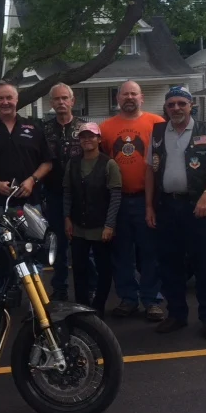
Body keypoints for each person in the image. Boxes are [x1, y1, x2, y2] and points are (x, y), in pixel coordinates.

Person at [145, 87, 206, 339]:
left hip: (199, 207)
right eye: (171, 104)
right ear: (166, 108)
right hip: (167, 207)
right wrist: (149, 206)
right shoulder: (158, 132)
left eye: (181, 103)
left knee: (205, 264)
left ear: (191, 105)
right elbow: (149, 171)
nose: (176, 108)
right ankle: (176, 315)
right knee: (169, 264)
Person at [100, 80, 165, 321]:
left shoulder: (157, 123)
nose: (129, 97)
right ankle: (128, 298)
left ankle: (152, 300)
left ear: (141, 97)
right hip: (117, 201)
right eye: (125, 94)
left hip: (146, 199)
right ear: (117, 99)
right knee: (121, 253)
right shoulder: (106, 128)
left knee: (150, 252)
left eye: (133, 94)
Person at [63, 123, 122, 317]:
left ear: (99, 139)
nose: (87, 140)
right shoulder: (72, 163)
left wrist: (109, 225)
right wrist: (67, 218)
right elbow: (68, 193)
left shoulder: (109, 164)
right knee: (79, 269)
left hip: (100, 227)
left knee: (104, 269)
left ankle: (98, 307)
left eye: (91, 136)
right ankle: (82, 307)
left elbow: (115, 196)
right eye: (83, 137)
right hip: (78, 226)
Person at [0, 81, 52, 212]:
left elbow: (47, 163)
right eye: (0, 98)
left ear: (16, 99)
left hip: (31, 203)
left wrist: (32, 180)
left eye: (9, 97)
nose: (5, 102)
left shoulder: (34, 129)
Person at [43, 83, 87, 300]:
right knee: (58, 243)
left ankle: (86, 289)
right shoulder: (44, 130)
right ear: (51, 103)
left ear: (72, 101)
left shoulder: (85, 128)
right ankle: (59, 288)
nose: (61, 102)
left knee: (83, 244)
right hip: (54, 194)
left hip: (82, 196)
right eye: (57, 99)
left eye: (64, 98)